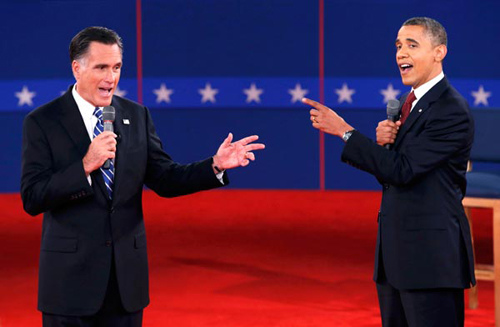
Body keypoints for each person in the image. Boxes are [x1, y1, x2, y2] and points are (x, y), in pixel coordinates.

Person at [21, 26, 265, 327]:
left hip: (126, 284)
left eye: (117, 67)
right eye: (101, 67)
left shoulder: (135, 116)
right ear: (77, 68)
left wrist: (215, 165)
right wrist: (85, 165)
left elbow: (165, 178)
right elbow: (32, 197)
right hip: (70, 285)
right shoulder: (43, 121)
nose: (111, 78)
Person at [303, 17, 475, 326]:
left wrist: (345, 132)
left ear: (439, 52)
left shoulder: (450, 109)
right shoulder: (412, 105)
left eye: (412, 45)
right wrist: (385, 147)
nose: (400, 54)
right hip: (397, 257)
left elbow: (404, 172)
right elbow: (393, 175)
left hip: (430, 261)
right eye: (398, 46)